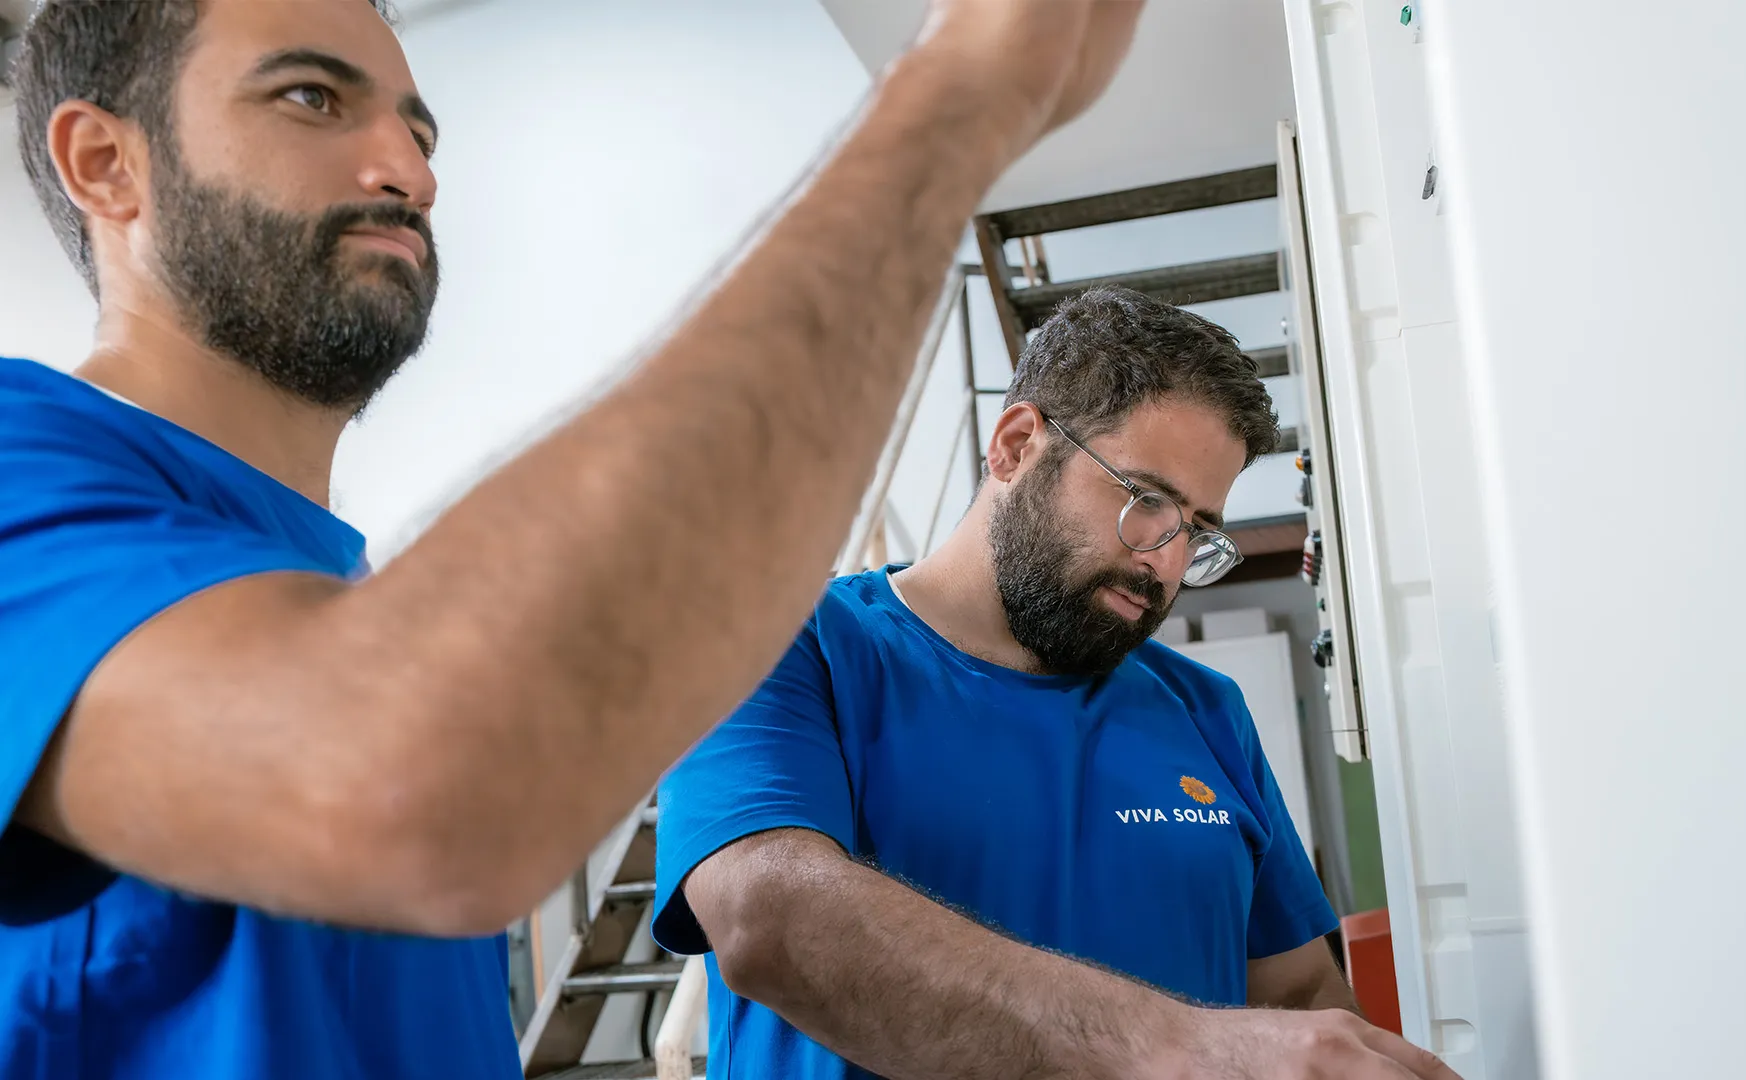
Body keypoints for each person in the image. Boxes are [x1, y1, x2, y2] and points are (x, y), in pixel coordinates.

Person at [0, 0, 1147, 1075]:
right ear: (107, 162)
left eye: (419, 131)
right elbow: (412, 786)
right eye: (311, 98)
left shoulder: (329, 592)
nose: (411, 172)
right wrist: (957, 98)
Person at [652, 286, 1464, 1080]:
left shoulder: (1206, 710)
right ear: (1015, 446)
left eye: (1198, 533)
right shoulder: (782, 645)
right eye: (1146, 500)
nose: (1165, 564)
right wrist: (1176, 1047)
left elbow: (1296, 988)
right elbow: (769, 918)